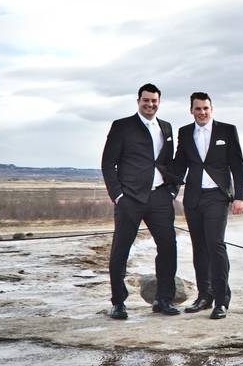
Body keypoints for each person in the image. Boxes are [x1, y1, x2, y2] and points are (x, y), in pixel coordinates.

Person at [100, 82, 181, 320]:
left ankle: (163, 299)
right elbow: (108, 164)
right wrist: (118, 195)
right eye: (146, 100)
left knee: (168, 248)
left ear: (159, 102)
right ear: (138, 101)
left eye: (154, 101)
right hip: (130, 198)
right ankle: (118, 303)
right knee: (120, 251)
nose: (150, 104)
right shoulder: (122, 126)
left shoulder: (165, 128)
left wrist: (172, 190)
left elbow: (168, 162)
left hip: (159, 197)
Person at [174, 91, 243, 320]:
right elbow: (179, 165)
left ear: (211, 109)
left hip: (217, 196)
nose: (202, 112)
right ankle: (205, 296)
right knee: (199, 248)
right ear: (191, 110)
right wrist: (165, 184)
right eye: (197, 109)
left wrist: (239, 196)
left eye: (205, 108)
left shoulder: (227, 130)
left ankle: (221, 301)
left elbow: (237, 165)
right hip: (193, 198)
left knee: (215, 246)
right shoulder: (185, 133)